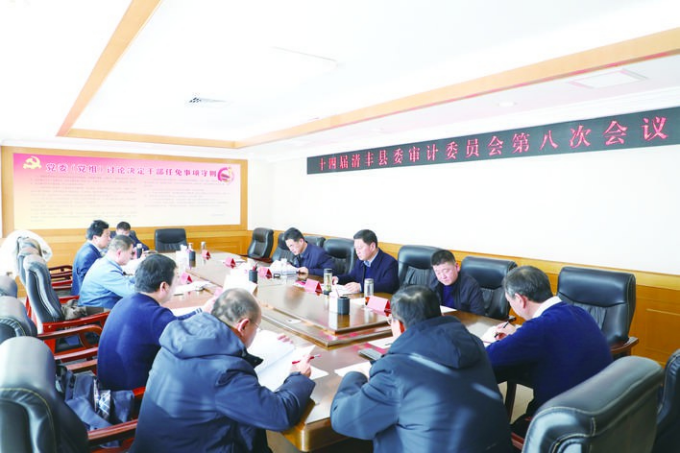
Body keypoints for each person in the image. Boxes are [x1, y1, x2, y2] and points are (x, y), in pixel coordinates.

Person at [131, 288, 316, 453]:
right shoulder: (224, 373)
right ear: (243, 325)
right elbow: (279, 415)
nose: (255, 333)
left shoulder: (177, 341)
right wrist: (298, 376)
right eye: (256, 328)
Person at [331, 286, 512, 452]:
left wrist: (354, 375)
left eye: (390, 321)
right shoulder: (474, 343)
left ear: (399, 325)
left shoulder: (395, 371)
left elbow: (344, 421)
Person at [484, 265, 612, 436]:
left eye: (510, 301)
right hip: (602, 414)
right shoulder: (579, 312)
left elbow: (488, 358)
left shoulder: (538, 328)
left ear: (520, 300)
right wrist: (517, 335)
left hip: (563, 427)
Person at [98, 254, 215, 391]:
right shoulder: (153, 315)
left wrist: (201, 311)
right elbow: (189, 343)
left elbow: (173, 324)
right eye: (176, 279)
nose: (178, 284)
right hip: (133, 394)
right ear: (164, 286)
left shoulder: (127, 301)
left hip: (109, 386)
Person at [78, 235, 136, 309]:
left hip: (99, 306)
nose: (131, 257)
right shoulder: (107, 270)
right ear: (119, 253)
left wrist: (141, 279)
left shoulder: (104, 262)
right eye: (131, 253)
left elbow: (122, 279)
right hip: (97, 313)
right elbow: (132, 293)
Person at [334, 229, 398, 294]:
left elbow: (388, 286)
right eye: (356, 248)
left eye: (360, 248)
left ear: (372, 246)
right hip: (361, 297)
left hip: (378, 298)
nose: (357, 252)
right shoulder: (361, 260)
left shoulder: (390, 263)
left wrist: (361, 287)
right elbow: (352, 276)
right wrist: (338, 279)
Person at [428, 249, 485, 314]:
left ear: (457, 267)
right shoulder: (434, 280)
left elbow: (478, 315)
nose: (443, 276)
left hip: (462, 319)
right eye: (438, 272)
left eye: (446, 271)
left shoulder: (471, 286)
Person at [72, 219, 111, 295]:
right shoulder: (88, 255)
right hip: (87, 298)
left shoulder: (89, 248)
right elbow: (88, 285)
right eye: (107, 236)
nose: (109, 239)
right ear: (95, 238)